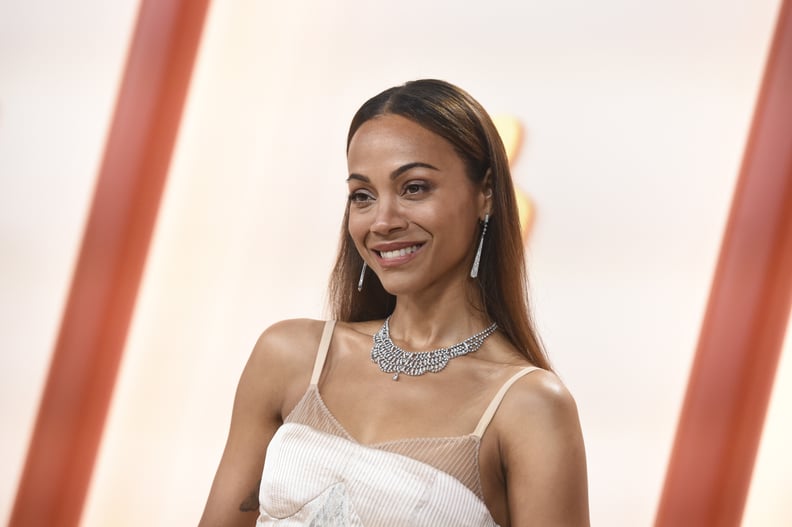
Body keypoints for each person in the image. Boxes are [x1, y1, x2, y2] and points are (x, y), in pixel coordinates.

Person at [199, 79, 589, 526]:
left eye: (414, 188)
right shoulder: (290, 355)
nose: (382, 221)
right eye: (362, 196)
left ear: (485, 194)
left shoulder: (528, 406)